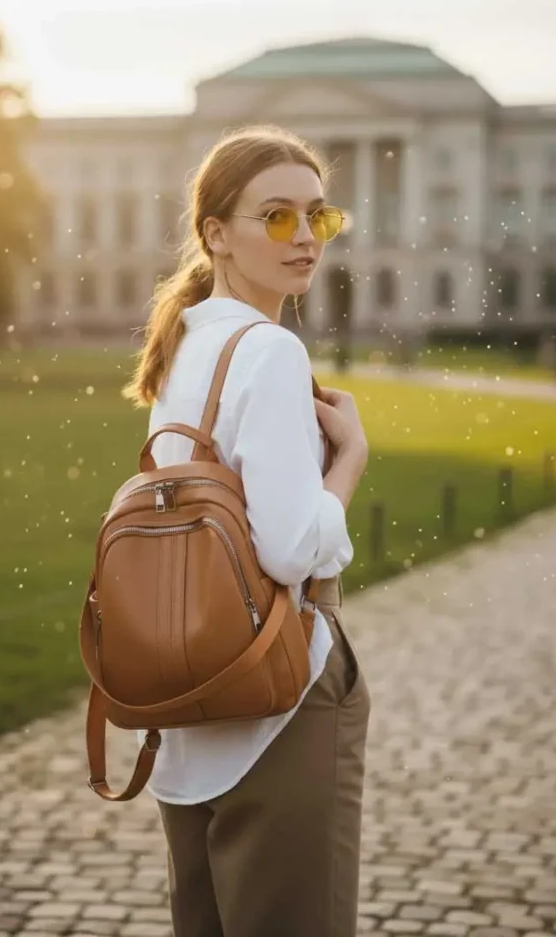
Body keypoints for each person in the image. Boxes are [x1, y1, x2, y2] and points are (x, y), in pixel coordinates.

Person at [121, 124, 371, 937]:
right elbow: (291, 549)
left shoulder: (184, 341)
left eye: (318, 215)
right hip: (275, 695)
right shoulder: (268, 351)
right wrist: (350, 461)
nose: (305, 237)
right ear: (216, 234)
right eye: (276, 216)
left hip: (185, 687)